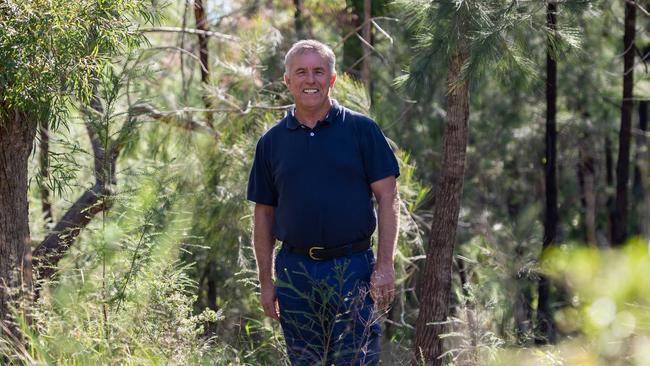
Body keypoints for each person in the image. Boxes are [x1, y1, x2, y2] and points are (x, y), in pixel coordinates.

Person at [247, 39, 400, 366]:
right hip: (294, 271)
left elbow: (388, 198)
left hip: (353, 267)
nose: (310, 79)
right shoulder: (271, 143)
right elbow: (263, 215)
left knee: (356, 361)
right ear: (287, 81)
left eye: (319, 71)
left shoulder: (362, 130)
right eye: (301, 72)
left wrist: (385, 265)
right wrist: (265, 282)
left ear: (332, 79)